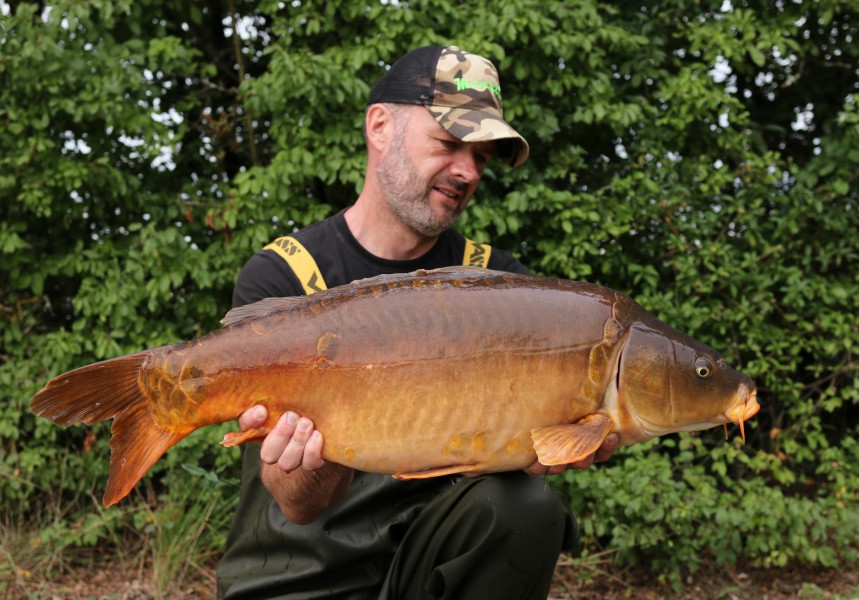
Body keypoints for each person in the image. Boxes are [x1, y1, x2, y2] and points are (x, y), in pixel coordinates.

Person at [216, 45, 618, 599]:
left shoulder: (501, 284)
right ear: (380, 126)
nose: (467, 171)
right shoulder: (285, 277)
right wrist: (329, 440)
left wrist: (556, 442)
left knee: (528, 505)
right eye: (450, 144)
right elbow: (296, 502)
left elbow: (524, 477)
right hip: (298, 577)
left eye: (481, 156)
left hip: (430, 575)